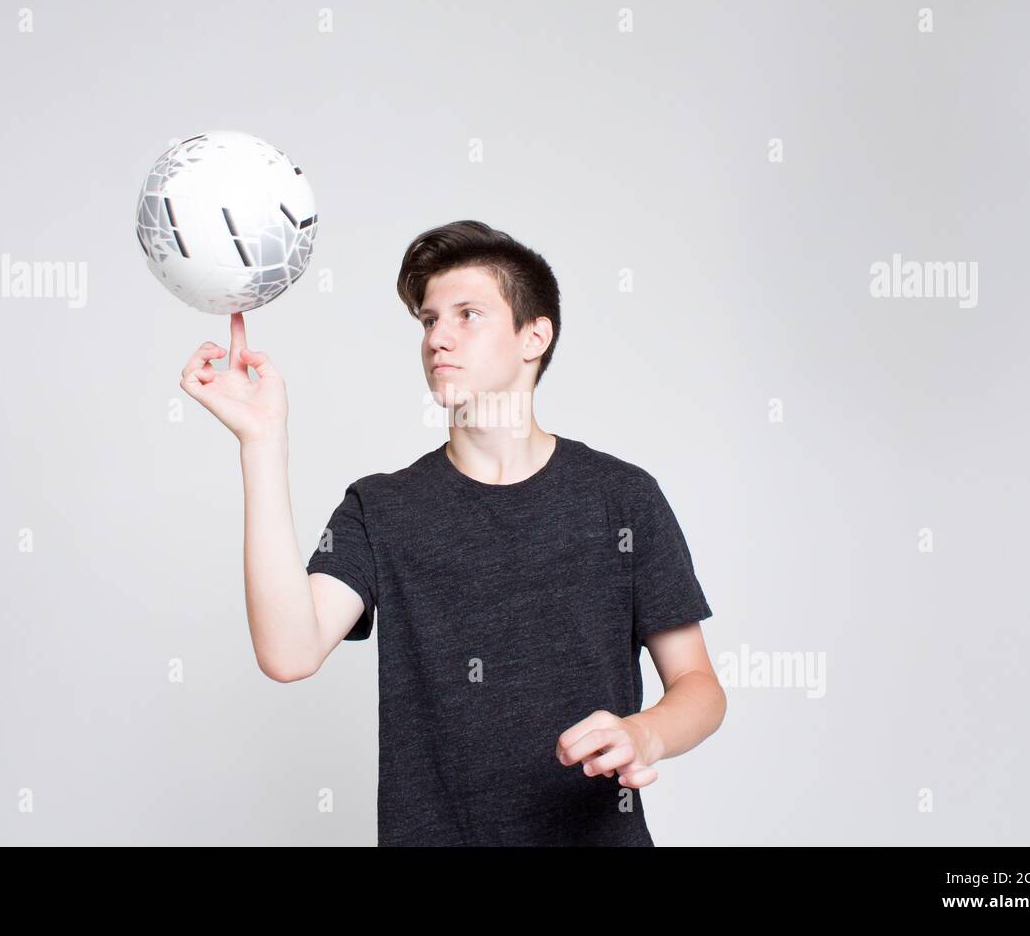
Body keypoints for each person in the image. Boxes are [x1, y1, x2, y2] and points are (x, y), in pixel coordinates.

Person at [179, 219, 726, 846]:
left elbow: (699, 687)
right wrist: (261, 441)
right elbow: (288, 651)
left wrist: (644, 733)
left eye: (468, 314)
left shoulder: (621, 497)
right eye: (428, 320)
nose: (439, 336)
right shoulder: (381, 507)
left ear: (534, 336)